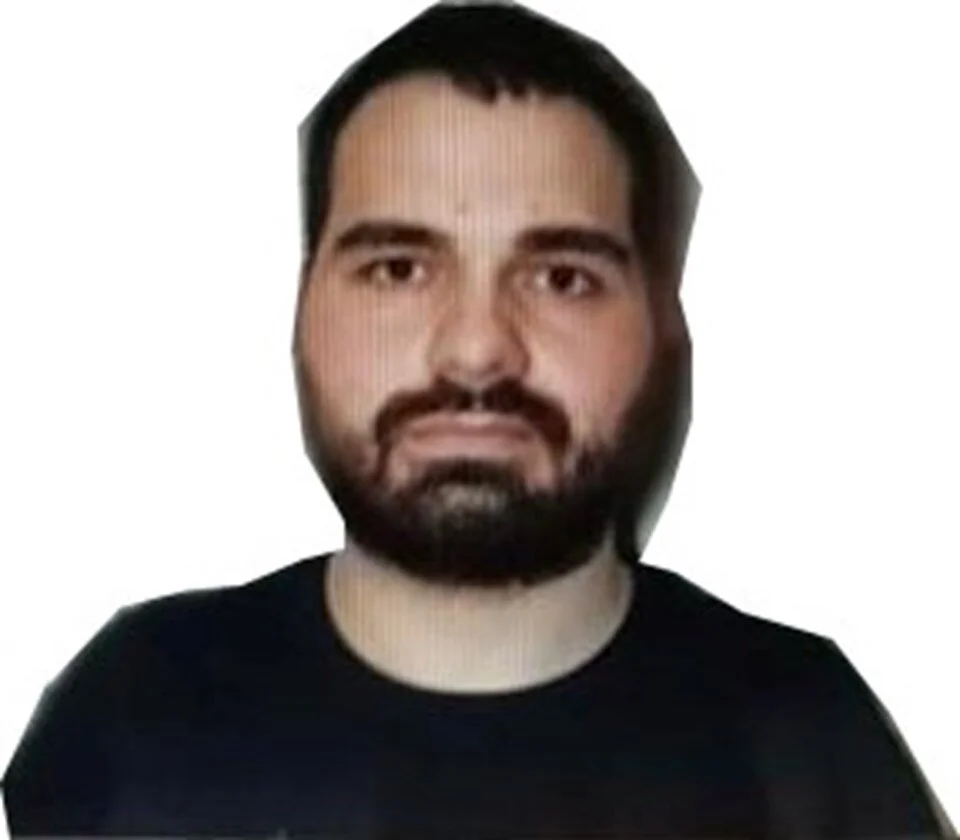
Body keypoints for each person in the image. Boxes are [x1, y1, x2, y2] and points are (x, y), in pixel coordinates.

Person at [2, 3, 954, 837]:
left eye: (562, 278)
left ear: (660, 330)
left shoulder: (807, 736)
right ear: (301, 312)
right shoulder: (131, 711)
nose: (476, 352)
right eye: (398, 269)